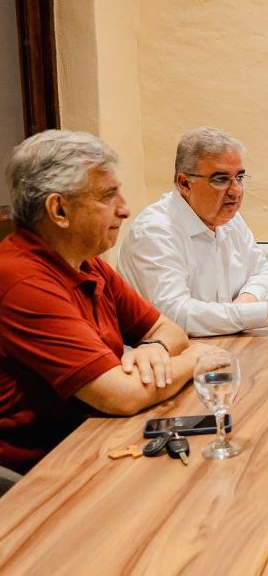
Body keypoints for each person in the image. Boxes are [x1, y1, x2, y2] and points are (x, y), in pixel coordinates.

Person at [0, 130, 209, 474]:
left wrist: (153, 348)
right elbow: (122, 395)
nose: (125, 209)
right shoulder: (24, 281)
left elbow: (168, 331)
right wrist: (197, 360)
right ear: (59, 209)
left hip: (92, 441)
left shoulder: (85, 260)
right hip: (37, 474)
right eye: (108, 196)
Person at [118, 127, 268, 337]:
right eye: (220, 179)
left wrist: (244, 306)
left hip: (224, 343)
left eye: (239, 177)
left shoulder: (229, 219)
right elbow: (176, 316)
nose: (235, 191)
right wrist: (261, 312)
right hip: (163, 359)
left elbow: (264, 273)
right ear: (184, 183)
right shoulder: (155, 231)